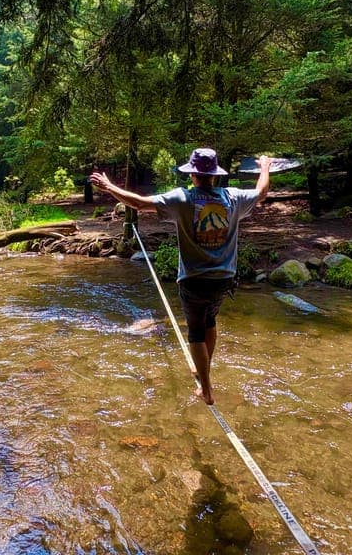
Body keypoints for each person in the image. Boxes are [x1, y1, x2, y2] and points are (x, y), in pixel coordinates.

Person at [89, 148, 272, 405]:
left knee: (196, 331)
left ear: (193, 174)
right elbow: (262, 192)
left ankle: (206, 389)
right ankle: (204, 368)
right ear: (214, 175)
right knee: (210, 321)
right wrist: (264, 166)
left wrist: (109, 187)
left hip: (193, 280)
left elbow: (139, 203)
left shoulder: (182, 199)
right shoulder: (233, 197)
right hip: (224, 278)